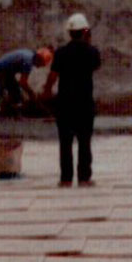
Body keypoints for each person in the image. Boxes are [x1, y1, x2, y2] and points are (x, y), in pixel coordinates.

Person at [40, 13, 103, 187]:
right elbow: (96, 66)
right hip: (84, 103)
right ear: (85, 31)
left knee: (65, 143)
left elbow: (53, 76)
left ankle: (66, 178)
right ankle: (84, 178)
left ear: (69, 33)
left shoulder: (61, 52)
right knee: (84, 141)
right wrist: (87, 42)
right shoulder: (92, 51)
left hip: (65, 103)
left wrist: (46, 91)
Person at [0, 47, 51, 115]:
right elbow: (23, 82)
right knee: (0, 90)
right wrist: (31, 93)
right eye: (41, 64)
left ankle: (15, 110)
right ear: (38, 59)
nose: (39, 67)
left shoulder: (29, 55)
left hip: (8, 72)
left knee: (15, 90)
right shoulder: (28, 61)